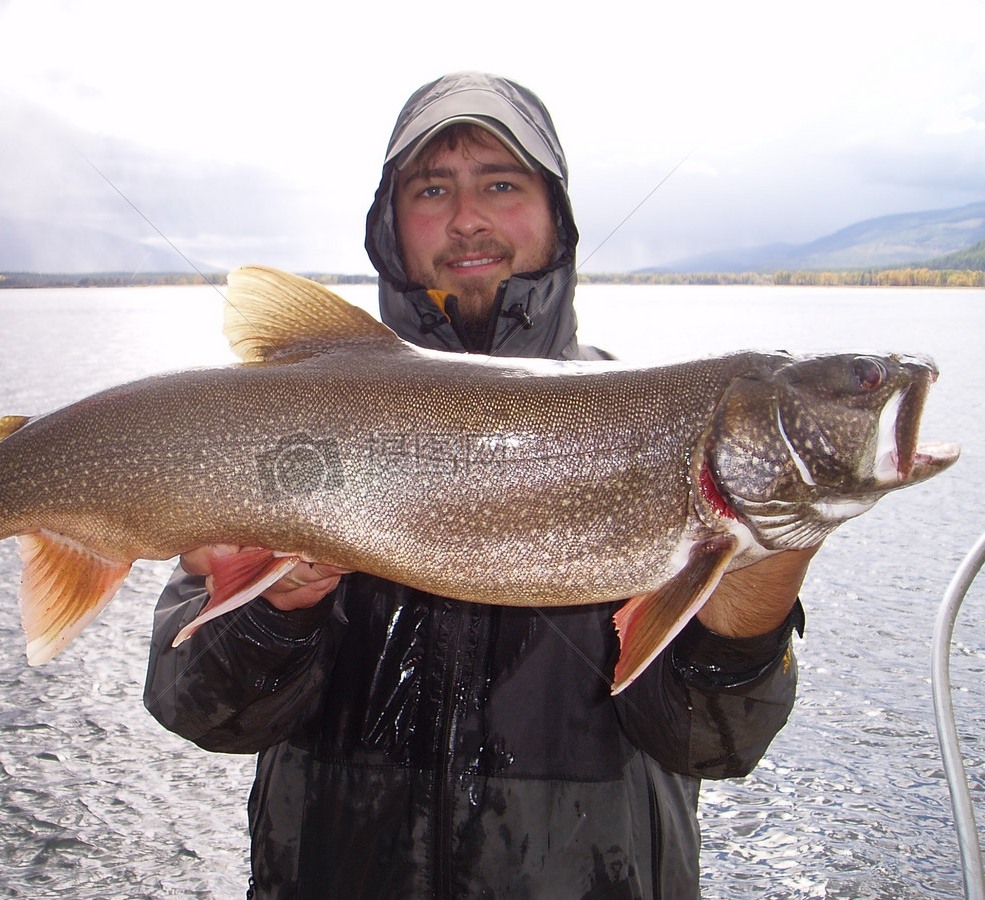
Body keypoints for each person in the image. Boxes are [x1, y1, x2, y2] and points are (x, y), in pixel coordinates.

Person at [145, 71, 812, 899]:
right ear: (390, 228)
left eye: (501, 182)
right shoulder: (293, 422)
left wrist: (754, 595)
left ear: (555, 217)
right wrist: (276, 609)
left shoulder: (665, 427)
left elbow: (714, 746)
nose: (467, 218)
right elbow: (200, 711)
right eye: (432, 188)